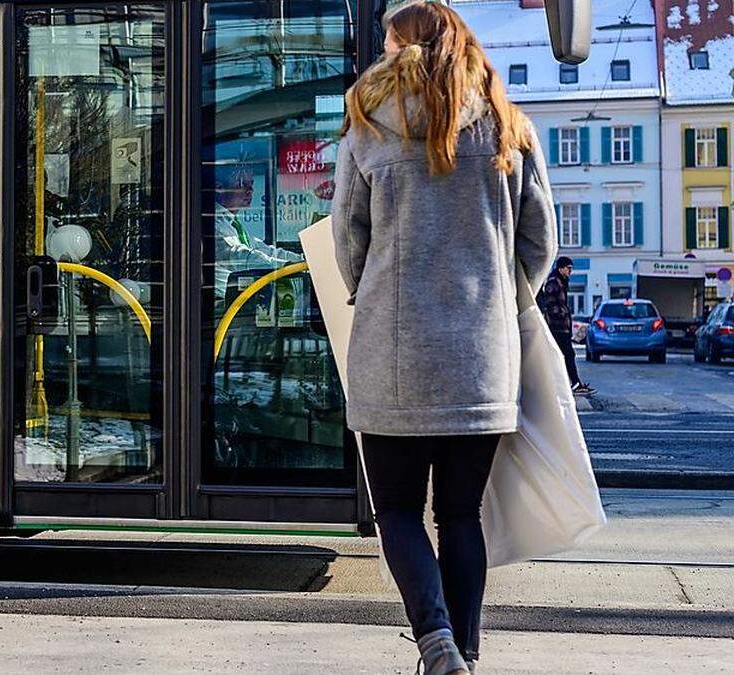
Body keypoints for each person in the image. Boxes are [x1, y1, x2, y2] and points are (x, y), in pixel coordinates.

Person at [329, 2, 556, 673]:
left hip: (391, 354)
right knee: (460, 514)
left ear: (399, 47)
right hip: (482, 361)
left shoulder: (368, 127)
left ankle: (435, 641)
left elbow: (349, 239)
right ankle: (466, 653)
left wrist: (369, 291)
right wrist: (499, 303)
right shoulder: (510, 127)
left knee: (396, 508)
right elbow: (540, 245)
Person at [212, 164, 302, 304]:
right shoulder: (214, 224)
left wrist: (300, 261)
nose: (250, 190)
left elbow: (263, 250)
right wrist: (285, 266)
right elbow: (240, 255)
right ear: (219, 187)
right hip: (220, 305)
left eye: (251, 184)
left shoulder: (232, 224)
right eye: (241, 184)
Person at [538, 256, 595, 395]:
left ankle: (568, 384)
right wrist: (563, 314)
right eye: (568, 268)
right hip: (557, 326)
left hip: (561, 326)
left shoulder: (560, 281)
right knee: (567, 354)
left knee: (563, 354)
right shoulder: (554, 282)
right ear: (561, 268)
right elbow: (550, 304)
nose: (570, 271)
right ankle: (574, 384)